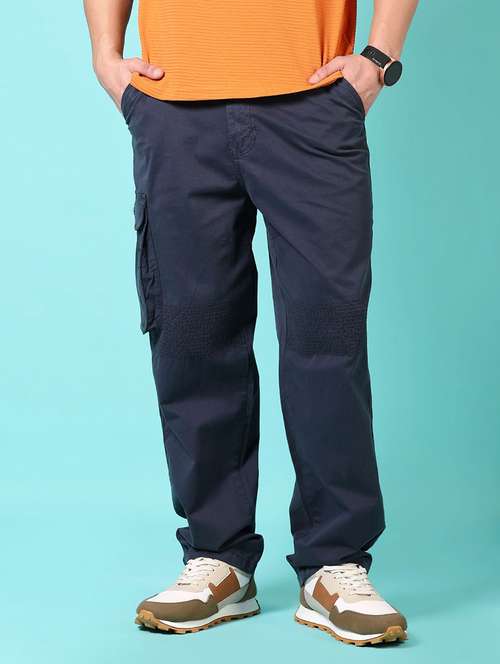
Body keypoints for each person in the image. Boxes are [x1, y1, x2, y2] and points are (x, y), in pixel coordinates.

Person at [85, 0, 418, 646]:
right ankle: (218, 557)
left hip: (312, 101)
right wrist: (105, 54)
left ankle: (335, 562)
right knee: (191, 335)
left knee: (327, 334)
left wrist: (380, 57)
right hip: (173, 105)